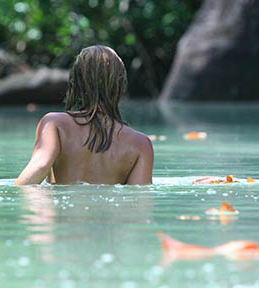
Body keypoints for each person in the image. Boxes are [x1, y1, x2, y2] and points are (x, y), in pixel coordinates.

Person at [14, 45, 154, 186]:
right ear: (121, 85)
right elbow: (139, 200)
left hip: (64, 206)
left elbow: (40, 165)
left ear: (76, 82)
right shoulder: (141, 144)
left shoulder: (54, 124)